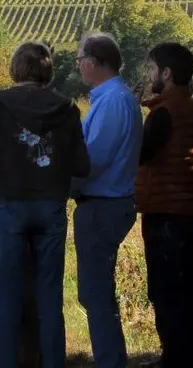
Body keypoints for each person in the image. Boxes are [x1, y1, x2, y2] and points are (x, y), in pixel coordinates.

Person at [0, 42, 90, 368]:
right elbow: (82, 166)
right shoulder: (67, 108)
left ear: (15, 68)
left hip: (9, 205)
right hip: (50, 206)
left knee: (9, 298)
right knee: (50, 300)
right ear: (47, 70)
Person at [135, 43, 193, 368]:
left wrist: (132, 118)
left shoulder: (163, 114)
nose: (150, 76)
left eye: (153, 70)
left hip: (166, 213)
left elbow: (140, 154)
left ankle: (175, 360)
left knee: (167, 290)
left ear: (167, 74)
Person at [71, 32, 142, 368]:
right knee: (94, 292)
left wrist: (59, 176)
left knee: (96, 294)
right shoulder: (110, 97)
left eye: (80, 58)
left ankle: (110, 362)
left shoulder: (113, 100)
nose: (77, 65)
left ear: (96, 62)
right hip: (105, 202)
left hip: (103, 203)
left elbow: (93, 158)